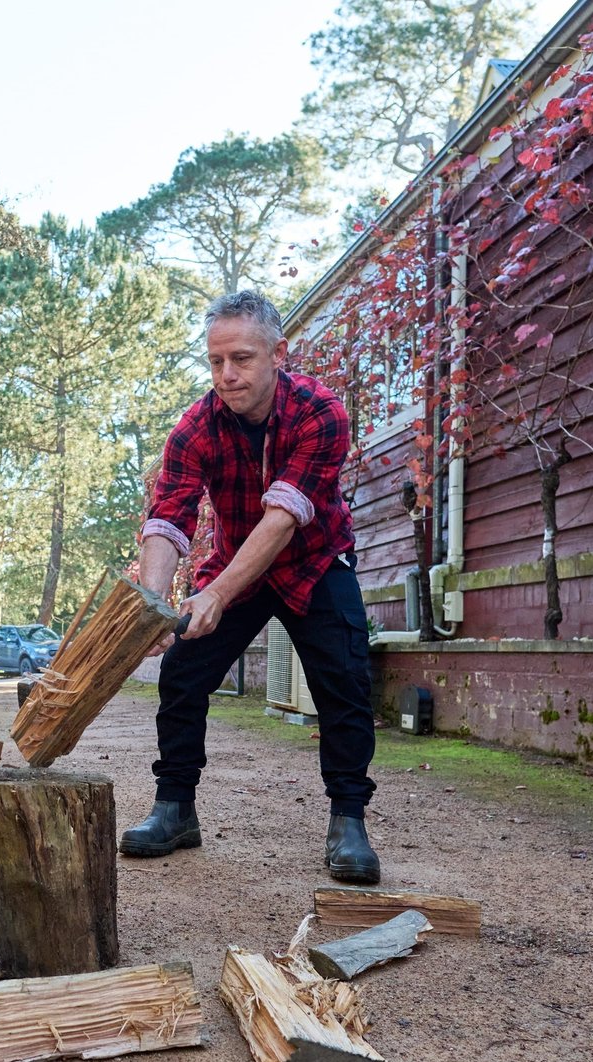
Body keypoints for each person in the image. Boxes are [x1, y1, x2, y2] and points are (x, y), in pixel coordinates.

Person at [124, 289, 380, 883]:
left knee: (344, 681)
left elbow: (283, 520)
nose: (226, 375)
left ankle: (349, 820)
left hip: (313, 561)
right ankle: (175, 808)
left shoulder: (322, 413)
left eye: (240, 359)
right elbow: (169, 517)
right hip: (237, 560)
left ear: (278, 354)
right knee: (183, 670)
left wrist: (215, 594)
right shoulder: (194, 428)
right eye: (215, 361)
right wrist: (155, 605)